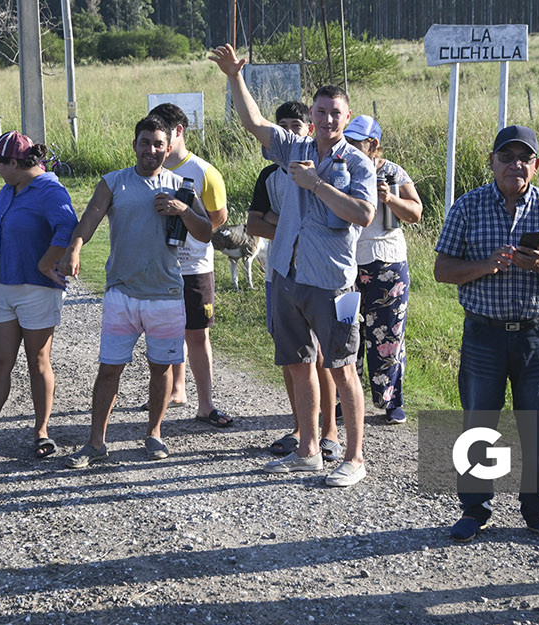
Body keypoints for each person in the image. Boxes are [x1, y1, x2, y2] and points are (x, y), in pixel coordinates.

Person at [212, 44, 376, 489]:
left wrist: (316, 184)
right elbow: (254, 124)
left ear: (347, 117)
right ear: (312, 115)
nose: (327, 120)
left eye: (335, 113)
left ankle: (354, 457)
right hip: (287, 275)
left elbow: (363, 215)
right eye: (321, 112)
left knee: (341, 368)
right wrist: (234, 76)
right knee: (299, 364)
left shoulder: (357, 163)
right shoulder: (295, 147)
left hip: (331, 282)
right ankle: (308, 450)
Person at [433, 125, 539, 545]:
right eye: (506, 156)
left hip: (538, 335)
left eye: (524, 158)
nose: (514, 164)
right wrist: (486, 265)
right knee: (479, 423)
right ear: (492, 162)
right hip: (484, 333)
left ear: (536, 166)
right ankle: (474, 510)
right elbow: (442, 270)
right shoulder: (467, 206)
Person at [58, 114, 211, 468]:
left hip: (166, 295)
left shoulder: (181, 185)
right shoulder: (114, 182)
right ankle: (95, 442)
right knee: (109, 369)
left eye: (158, 144)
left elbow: (205, 232)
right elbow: (90, 217)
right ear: (134, 145)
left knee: (161, 369)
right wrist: (75, 248)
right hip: (122, 293)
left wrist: (182, 209)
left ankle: (154, 433)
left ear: (168, 148)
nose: (151, 150)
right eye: (145, 143)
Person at [0, 131, 78, 464]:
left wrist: (46, 262)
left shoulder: (50, 190)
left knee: (38, 362)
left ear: (16, 163)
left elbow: (69, 228)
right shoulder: (9, 190)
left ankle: (41, 431)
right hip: (3, 287)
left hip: (37, 289)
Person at [246, 102, 338, 460]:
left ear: (308, 129)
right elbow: (253, 224)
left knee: (324, 356)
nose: (286, 131)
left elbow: (335, 221)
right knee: (293, 356)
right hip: (279, 273)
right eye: (280, 125)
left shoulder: (326, 169)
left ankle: (329, 432)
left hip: (319, 275)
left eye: (294, 125)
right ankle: (301, 429)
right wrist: (289, 227)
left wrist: (281, 222)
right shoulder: (269, 175)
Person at [146, 101, 231, 428]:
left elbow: (218, 219)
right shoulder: (150, 166)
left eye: (163, 133)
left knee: (196, 334)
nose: (157, 142)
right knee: (164, 332)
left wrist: (187, 221)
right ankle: (175, 390)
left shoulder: (204, 171)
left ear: (178, 131)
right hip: (160, 265)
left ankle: (206, 404)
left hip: (194, 266)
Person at [342, 115, 423, 424]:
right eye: (346, 141)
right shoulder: (340, 167)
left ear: (373, 144)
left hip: (387, 263)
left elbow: (415, 212)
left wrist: (389, 198)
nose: (349, 147)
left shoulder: (392, 172)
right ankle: (346, 399)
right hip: (346, 262)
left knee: (388, 333)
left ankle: (390, 401)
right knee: (346, 333)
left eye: (356, 143)